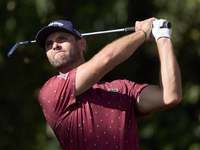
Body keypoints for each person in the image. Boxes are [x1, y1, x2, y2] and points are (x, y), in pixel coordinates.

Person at [35, 17, 182, 150]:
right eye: (48, 44)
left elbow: (170, 96)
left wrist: (163, 35)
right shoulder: (51, 90)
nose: (54, 45)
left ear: (81, 44)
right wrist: (143, 33)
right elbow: (106, 59)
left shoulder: (122, 88)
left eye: (61, 39)